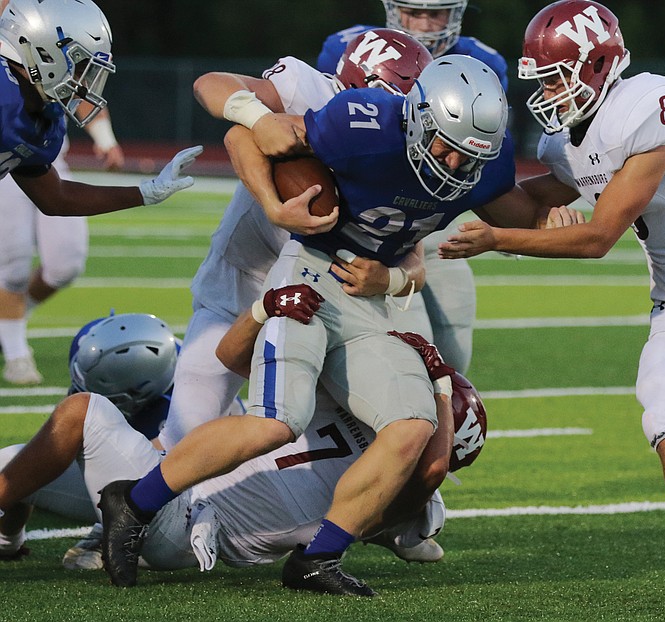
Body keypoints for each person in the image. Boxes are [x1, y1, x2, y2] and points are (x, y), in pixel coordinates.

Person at [101, 54, 581, 596]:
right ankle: (133, 504)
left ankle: (319, 557)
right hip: (310, 279)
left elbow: (521, 211)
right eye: (446, 144)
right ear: (419, 117)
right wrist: (273, 207)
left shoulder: (482, 165)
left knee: (411, 426)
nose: (453, 163)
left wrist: (560, 213)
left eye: (469, 154)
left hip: (367, 303)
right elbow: (244, 136)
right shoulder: (364, 123)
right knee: (277, 421)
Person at [439, 1, 665, 616]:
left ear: (600, 62)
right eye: (544, 78)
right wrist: (469, 180)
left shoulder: (653, 104)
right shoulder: (569, 135)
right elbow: (529, 206)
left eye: (558, 75)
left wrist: (498, 240)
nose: (550, 90)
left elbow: (599, 235)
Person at [0, 307, 483, 577]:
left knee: (80, 412)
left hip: (180, 521)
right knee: (20, 462)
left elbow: (429, 472)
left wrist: (438, 386)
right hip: (173, 487)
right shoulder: (402, 495)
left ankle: (63, 524)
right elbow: (419, 534)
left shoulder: (412, 485)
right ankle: (8, 535)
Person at [158, 29, 432, 451]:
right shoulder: (311, 94)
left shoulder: (410, 147)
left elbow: (414, 258)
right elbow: (212, 90)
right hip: (241, 286)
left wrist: (389, 280)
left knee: (319, 444)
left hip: (324, 312)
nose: (397, 117)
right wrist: (261, 124)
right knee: (185, 435)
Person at [316, 0, 509, 375]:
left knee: (453, 345)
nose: (423, 23)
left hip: (440, 218)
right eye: (412, 12)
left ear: (455, 14)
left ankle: (447, 426)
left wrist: (510, 221)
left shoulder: (478, 62)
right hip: (375, 217)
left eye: (434, 13)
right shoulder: (352, 46)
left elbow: (483, 157)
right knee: (411, 346)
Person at [0, 0, 202, 217]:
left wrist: (146, 193)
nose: (84, 86)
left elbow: (56, 198)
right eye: (80, 70)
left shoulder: (41, 118)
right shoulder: (6, 96)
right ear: (44, 54)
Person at [0, 104, 125, 385]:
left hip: (49, 159)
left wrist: (105, 139)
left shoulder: (49, 58)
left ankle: (8, 323)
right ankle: (15, 353)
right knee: (13, 267)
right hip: (4, 161)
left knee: (65, 264)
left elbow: (81, 89)